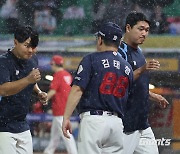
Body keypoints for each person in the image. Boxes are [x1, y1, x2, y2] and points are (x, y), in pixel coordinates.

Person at [62, 22, 134, 154]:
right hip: (117, 123)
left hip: (94, 121)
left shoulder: (91, 59)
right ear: (119, 43)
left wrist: (66, 117)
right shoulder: (127, 67)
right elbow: (129, 98)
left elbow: (77, 89)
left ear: (100, 40)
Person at [118, 11, 169, 154]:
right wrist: (142, 69)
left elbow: (137, 86)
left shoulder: (139, 51)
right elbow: (120, 84)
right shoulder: (120, 52)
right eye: (140, 29)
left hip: (142, 122)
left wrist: (153, 95)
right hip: (126, 123)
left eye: (147, 30)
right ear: (128, 28)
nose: (144, 33)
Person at [0, 25, 48, 154]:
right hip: (2, 125)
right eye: (27, 45)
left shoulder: (33, 60)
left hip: (22, 123)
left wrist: (38, 92)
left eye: (34, 46)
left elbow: (31, 81)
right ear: (15, 42)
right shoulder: (3, 62)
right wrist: (28, 80)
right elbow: (3, 89)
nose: (31, 50)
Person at [44, 55, 78, 154]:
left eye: (52, 64)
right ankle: (48, 152)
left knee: (66, 135)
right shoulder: (67, 74)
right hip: (65, 108)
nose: (51, 66)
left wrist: (43, 98)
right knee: (54, 137)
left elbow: (53, 91)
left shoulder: (58, 75)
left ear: (55, 64)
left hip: (60, 109)